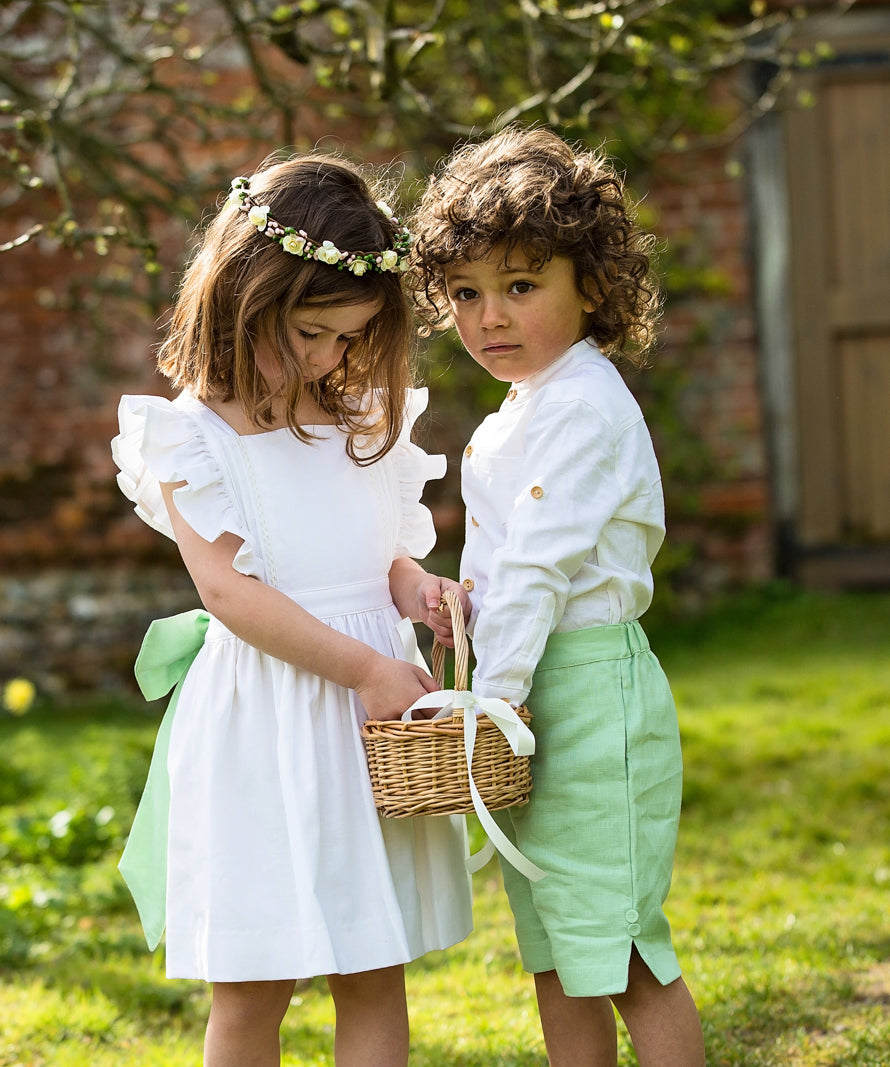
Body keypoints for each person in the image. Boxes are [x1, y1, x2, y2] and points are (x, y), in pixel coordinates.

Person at [111, 151, 473, 1067]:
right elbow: (229, 592)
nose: (328, 357)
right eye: (310, 332)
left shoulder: (353, 418)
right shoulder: (192, 438)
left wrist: (417, 591)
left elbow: (379, 555)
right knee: (253, 980)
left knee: (373, 963)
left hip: (370, 725)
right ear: (244, 299)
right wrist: (365, 667)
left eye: (349, 338)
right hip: (268, 722)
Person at [407, 125, 706, 1067]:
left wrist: (491, 699)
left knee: (619, 945)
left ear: (592, 285)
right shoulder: (528, 404)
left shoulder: (581, 404)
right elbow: (513, 564)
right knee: (555, 946)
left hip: (584, 698)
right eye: (466, 293)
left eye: (521, 286)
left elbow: (542, 568)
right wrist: (467, 609)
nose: (490, 316)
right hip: (532, 682)